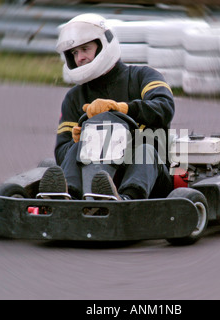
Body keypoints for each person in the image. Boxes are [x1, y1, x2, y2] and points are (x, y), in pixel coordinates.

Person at [39, 13, 175, 200]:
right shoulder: (74, 97)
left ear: (104, 44)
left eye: (85, 49)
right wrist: (78, 142)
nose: (80, 58)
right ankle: (67, 197)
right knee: (74, 149)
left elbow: (164, 107)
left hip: (149, 178)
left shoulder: (143, 77)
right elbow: (61, 152)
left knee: (146, 150)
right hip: (91, 178)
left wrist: (123, 109)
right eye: (75, 53)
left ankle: (127, 200)